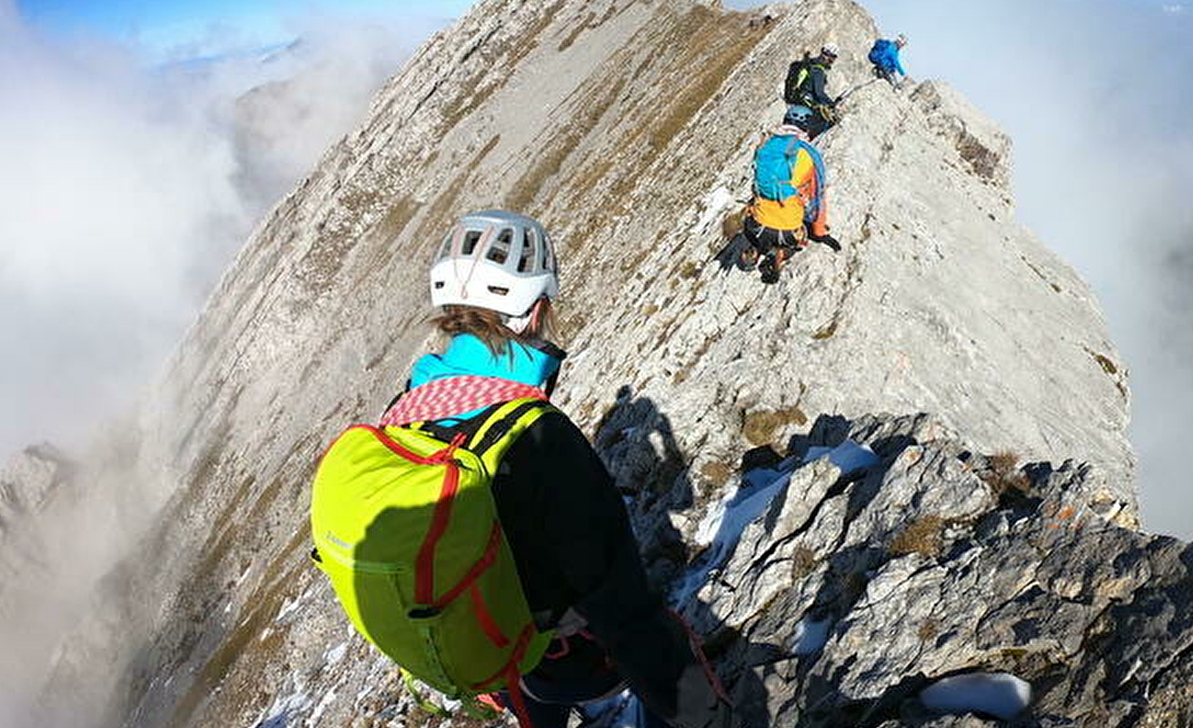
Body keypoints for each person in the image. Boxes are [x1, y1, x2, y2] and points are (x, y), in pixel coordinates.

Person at [326, 211, 729, 728]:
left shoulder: (410, 405)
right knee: (658, 642)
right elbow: (627, 617)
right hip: (568, 661)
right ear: (536, 311)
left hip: (485, 654)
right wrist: (707, 716)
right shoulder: (537, 436)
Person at [736, 121, 840, 283]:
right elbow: (816, 198)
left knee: (755, 218)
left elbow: (755, 191)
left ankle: (756, 249)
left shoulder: (765, 150)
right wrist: (819, 233)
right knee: (799, 236)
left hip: (757, 228)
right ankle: (781, 254)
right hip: (788, 233)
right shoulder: (807, 157)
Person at [783, 43, 841, 138]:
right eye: (833, 57)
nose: (832, 61)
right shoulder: (818, 70)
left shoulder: (810, 63)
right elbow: (819, 94)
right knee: (828, 121)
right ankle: (807, 139)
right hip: (805, 103)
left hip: (797, 100)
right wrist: (832, 105)